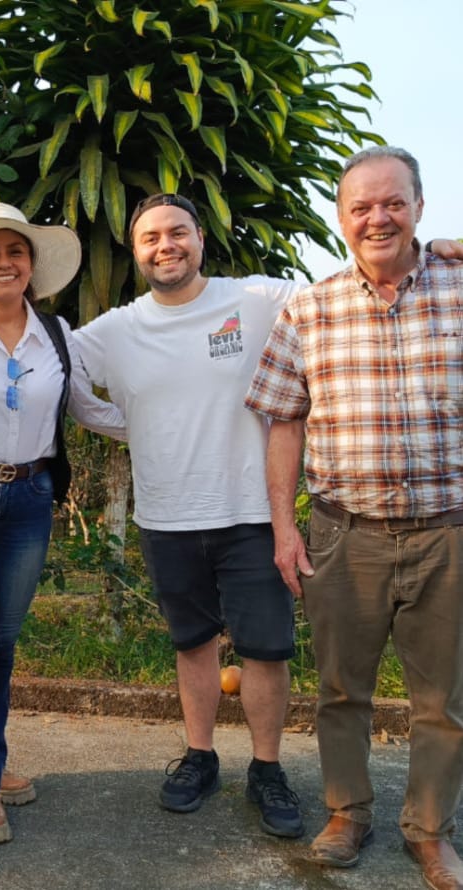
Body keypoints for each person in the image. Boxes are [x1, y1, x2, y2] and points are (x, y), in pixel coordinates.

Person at [246, 146, 463, 890]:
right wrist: (284, 528)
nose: (379, 218)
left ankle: (430, 831)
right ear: (341, 218)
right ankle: (348, 812)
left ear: (420, 207)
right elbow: (283, 421)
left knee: (444, 700)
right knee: (341, 690)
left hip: (448, 531)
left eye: (393, 202)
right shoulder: (309, 308)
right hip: (345, 532)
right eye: (361, 206)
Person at [71, 193, 307, 839]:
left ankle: (267, 768)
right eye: (150, 237)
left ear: (201, 238)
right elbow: (53, 369)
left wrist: (434, 254)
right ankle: (200, 757)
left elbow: (341, 296)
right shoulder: (116, 329)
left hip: (252, 513)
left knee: (264, 650)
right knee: (193, 644)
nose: (165, 245)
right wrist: (131, 427)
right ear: (135, 252)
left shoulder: (254, 299)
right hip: (166, 517)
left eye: (177, 232)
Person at [0, 203, 126, 844]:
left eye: (15, 251)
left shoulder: (58, 334)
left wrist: (172, 427)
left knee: (3, 642)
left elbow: (89, 409)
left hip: (31, 499)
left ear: (31, 265)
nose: (3, 263)